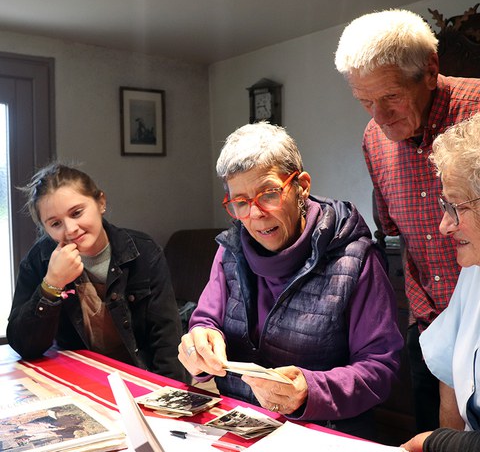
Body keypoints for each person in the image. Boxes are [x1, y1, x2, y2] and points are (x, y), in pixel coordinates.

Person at [178, 122, 403, 440]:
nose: (255, 214)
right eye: (240, 202)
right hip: (240, 423)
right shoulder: (230, 249)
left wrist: (310, 391)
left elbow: (380, 369)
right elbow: (205, 320)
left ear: (302, 185)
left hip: (324, 432)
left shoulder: (355, 258)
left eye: (268, 194)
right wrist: (199, 342)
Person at [334, 8, 480, 432]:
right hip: (428, 326)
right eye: (365, 102)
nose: (378, 117)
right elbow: (391, 231)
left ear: (430, 71)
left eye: (391, 96)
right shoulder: (373, 139)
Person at [7, 163, 186, 381]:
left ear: (100, 202)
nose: (71, 229)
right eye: (55, 223)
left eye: (77, 212)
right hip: (76, 379)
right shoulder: (40, 260)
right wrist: (52, 283)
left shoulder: (143, 251)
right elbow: (24, 346)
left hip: (139, 375)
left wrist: (171, 397)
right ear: (45, 229)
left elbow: (166, 338)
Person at [402, 113, 480, 451]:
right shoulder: (474, 272)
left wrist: (436, 444)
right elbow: (451, 373)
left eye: (454, 206)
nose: (444, 226)